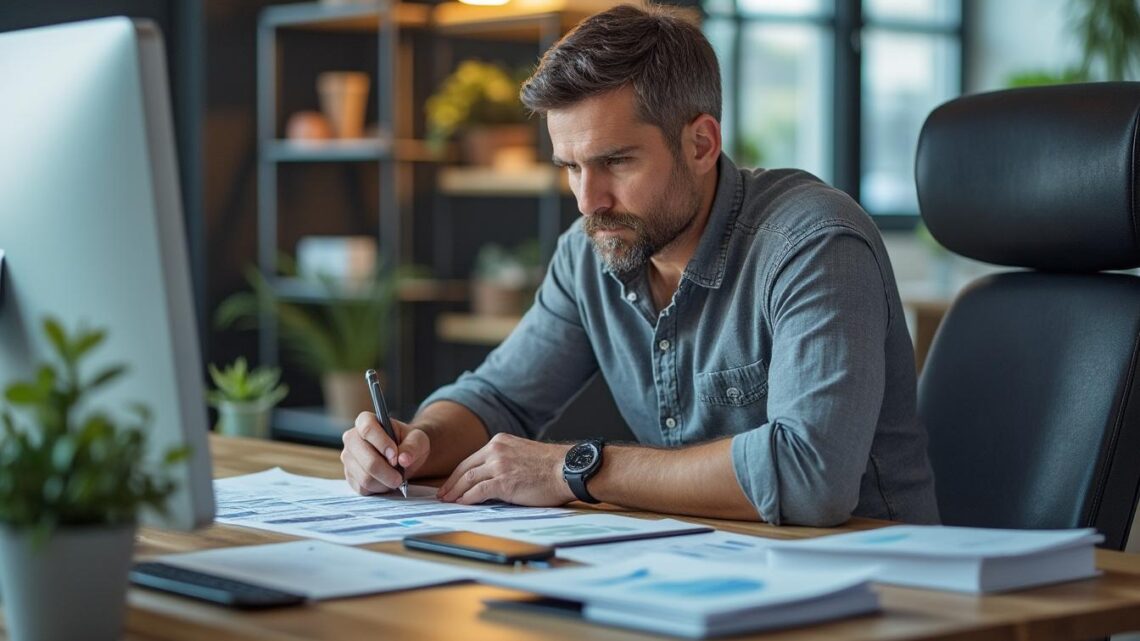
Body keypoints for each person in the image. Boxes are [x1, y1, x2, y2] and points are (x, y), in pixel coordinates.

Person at [341, 3, 939, 526]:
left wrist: (574, 468)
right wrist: (419, 441)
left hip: (879, 585)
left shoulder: (812, 245)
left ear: (701, 144)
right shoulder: (591, 250)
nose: (587, 201)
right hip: (702, 567)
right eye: (570, 167)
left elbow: (812, 477)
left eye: (616, 162)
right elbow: (499, 397)